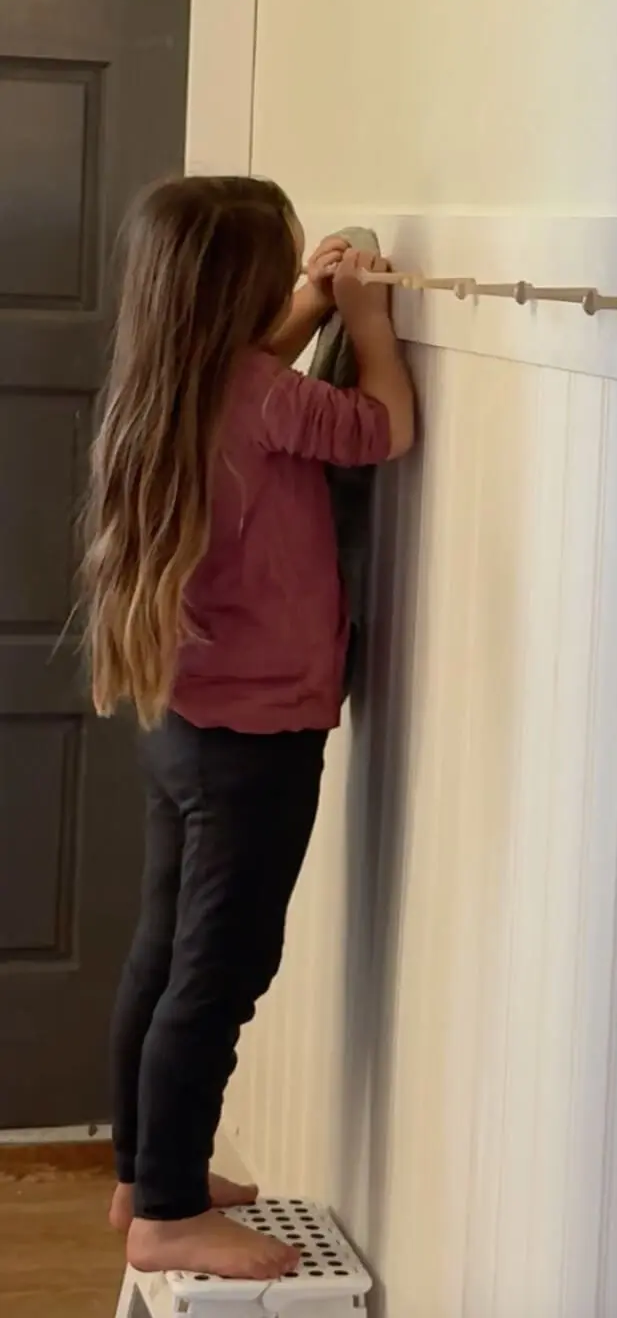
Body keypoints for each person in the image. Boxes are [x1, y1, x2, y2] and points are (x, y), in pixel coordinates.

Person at [81, 176, 415, 1280]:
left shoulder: (164, 386)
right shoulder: (266, 396)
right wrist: (363, 323)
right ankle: (172, 1209)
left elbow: (255, 372)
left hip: (182, 725)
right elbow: (381, 429)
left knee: (162, 953)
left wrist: (308, 311)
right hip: (260, 742)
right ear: (239, 289)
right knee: (220, 976)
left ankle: (144, 1171)